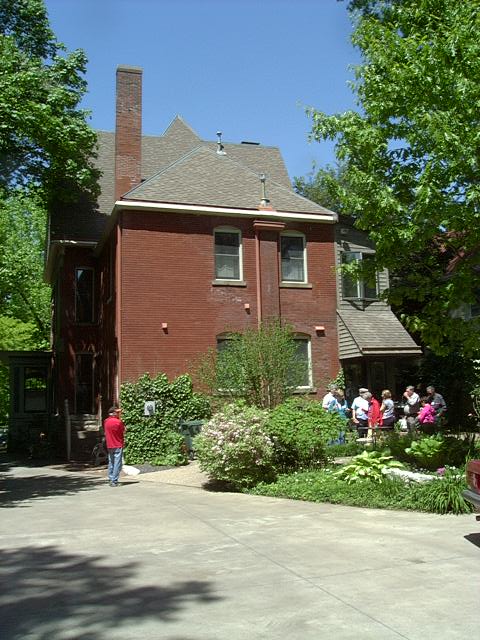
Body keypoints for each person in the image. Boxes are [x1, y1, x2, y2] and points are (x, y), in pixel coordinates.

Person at [103, 405, 126, 487]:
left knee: (111, 462)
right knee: (117, 463)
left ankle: (111, 478)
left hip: (109, 444)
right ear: (114, 413)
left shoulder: (106, 421)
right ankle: (114, 481)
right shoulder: (118, 422)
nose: (119, 414)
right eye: (118, 412)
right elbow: (123, 431)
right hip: (118, 444)